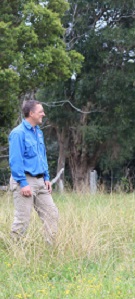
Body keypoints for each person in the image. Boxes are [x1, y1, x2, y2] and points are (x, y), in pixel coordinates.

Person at [9, 100, 59, 244]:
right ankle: (15, 251)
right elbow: (15, 161)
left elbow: (41, 156)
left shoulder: (39, 133)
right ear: (31, 113)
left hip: (40, 181)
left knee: (52, 214)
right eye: (40, 111)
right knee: (22, 219)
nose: (43, 114)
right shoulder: (18, 133)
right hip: (24, 180)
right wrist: (23, 183)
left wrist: (47, 177)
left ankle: (50, 249)